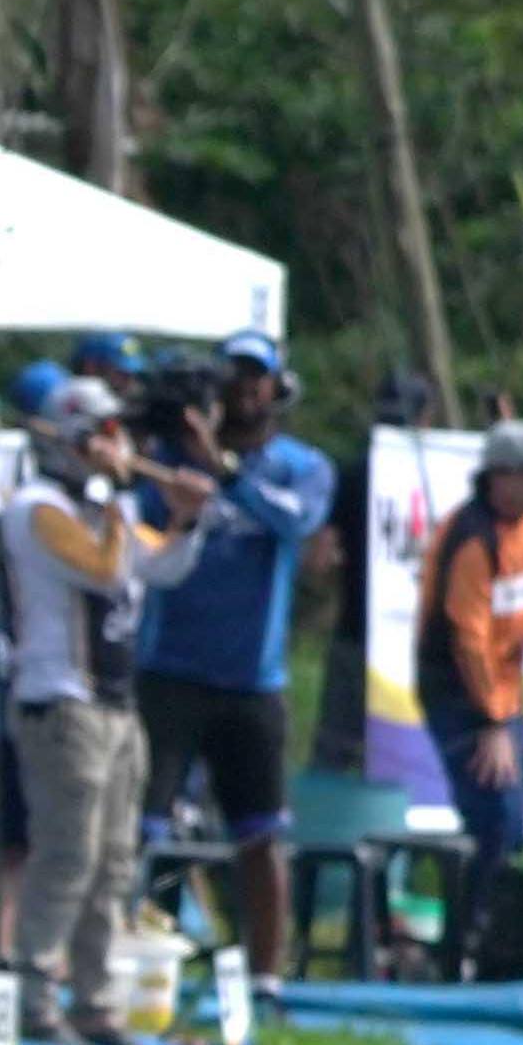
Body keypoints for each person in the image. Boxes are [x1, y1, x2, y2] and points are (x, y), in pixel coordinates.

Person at [0, 377, 206, 1045]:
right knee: (68, 856)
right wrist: (121, 492)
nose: (121, 445)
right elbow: (102, 570)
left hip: (118, 708)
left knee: (115, 860)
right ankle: (34, 996)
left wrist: (186, 518)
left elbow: (160, 567)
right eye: (107, 433)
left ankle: (95, 999)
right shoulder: (38, 509)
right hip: (63, 703)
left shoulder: (103, 510)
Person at [133, 329, 336, 988]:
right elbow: (137, 524)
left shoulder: (301, 466)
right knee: (137, 827)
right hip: (169, 670)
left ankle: (264, 979)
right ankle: (113, 959)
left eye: (259, 378)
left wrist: (222, 471)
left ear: (278, 388)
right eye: (235, 377)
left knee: (260, 834)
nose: (247, 390)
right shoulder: (167, 458)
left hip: (254, 680)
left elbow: (294, 525)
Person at [419, 419, 523, 887]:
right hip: (462, 700)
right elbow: (467, 640)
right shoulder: (473, 538)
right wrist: (491, 723)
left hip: (502, 698)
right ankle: (482, 942)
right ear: (499, 476)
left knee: (511, 816)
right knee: (499, 821)